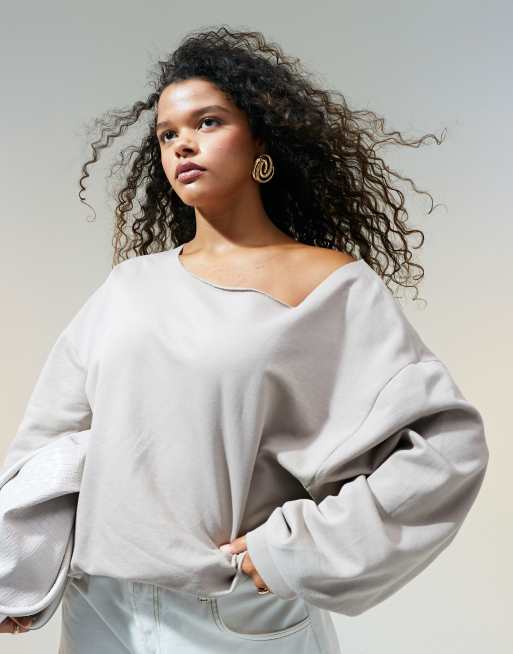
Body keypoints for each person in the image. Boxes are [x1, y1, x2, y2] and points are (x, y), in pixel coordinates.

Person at [1, 26, 489, 652]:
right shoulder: (129, 286)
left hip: (233, 617)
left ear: (260, 138)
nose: (183, 144)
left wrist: (294, 550)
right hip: (99, 611)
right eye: (167, 135)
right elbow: (53, 443)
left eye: (207, 123)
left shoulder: (328, 285)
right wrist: (19, 571)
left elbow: (444, 450)